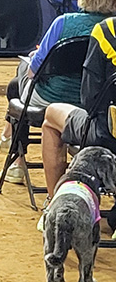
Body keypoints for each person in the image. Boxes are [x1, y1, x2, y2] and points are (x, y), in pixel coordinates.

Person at [0, 0, 116, 184]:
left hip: (55, 101)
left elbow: (34, 73)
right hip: (97, 107)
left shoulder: (63, 23)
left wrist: (35, 59)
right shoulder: (112, 29)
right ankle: (10, 142)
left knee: (18, 79)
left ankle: (17, 159)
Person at [42, 16, 116, 200]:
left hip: (106, 133)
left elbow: (90, 99)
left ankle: (54, 203)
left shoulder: (107, 31)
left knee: (51, 115)